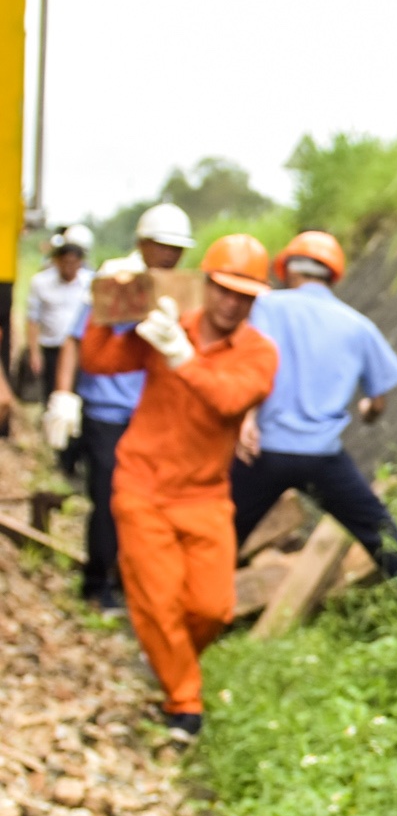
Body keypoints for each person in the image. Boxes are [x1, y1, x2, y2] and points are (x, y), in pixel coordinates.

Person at [79, 234, 276, 739]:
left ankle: (168, 657)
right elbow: (99, 360)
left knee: (213, 607)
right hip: (142, 486)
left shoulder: (259, 353)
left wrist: (184, 358)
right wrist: (106, 303)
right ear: (205, 284)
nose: (231, 303)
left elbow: (230, 400)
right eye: (224, 289)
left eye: (244, 295)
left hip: (205, 495)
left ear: (255, 300)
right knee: (157, 599)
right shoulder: (166, 324)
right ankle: (184, 702)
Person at [231, 230, 397, 579]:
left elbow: (244, 365)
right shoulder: (359, 326)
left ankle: (180, 603)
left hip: (264, 450)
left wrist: (247, 417)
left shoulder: (265, 306)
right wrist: (367, 411)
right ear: (332, 275)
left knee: (221, 535)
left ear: (288, 269)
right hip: (322, 455)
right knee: (380, 533)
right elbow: (377, 403)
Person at [60, 203, 197, 610]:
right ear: (142, 243)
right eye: (162, 245)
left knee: (148, 502)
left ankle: (131, 579)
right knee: (109, 499)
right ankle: (97, 583)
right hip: (108, 412)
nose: (170, 255)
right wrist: (64, 394)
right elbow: (77, 340)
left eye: (177, 248)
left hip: (153, 414)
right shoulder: (113, 281)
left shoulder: (179, 290)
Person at [24, 226, 95, 408]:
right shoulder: (41, 282)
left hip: (82, 349)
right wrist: (34, 353)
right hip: (52, 347)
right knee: (52, 395)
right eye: (65, 262)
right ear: (57, 261)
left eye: (74, 262)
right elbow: (32, 318)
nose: (69, 267)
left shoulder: (91, 282)